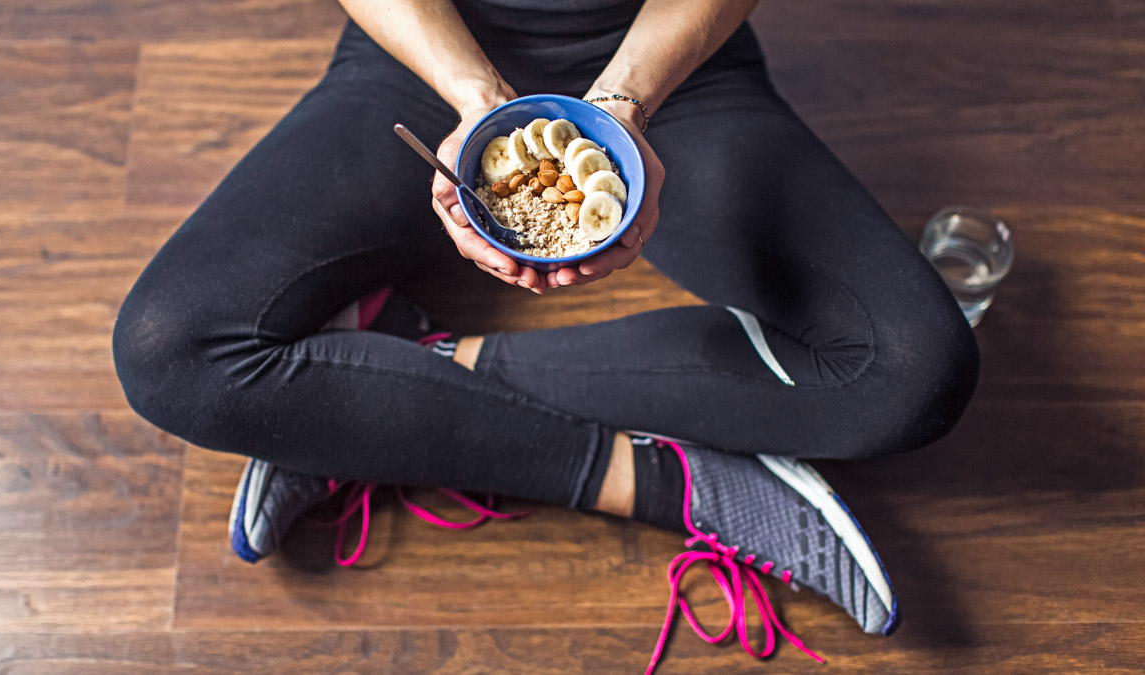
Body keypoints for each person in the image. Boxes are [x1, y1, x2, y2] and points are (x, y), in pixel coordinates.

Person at [112, 0, 979, 665]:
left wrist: (623, 105)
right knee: (166, 351)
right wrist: (477, 97)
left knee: (918, 372)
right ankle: (666, 480)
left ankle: (385, 373)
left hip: (666, 70)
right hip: (426, 60)